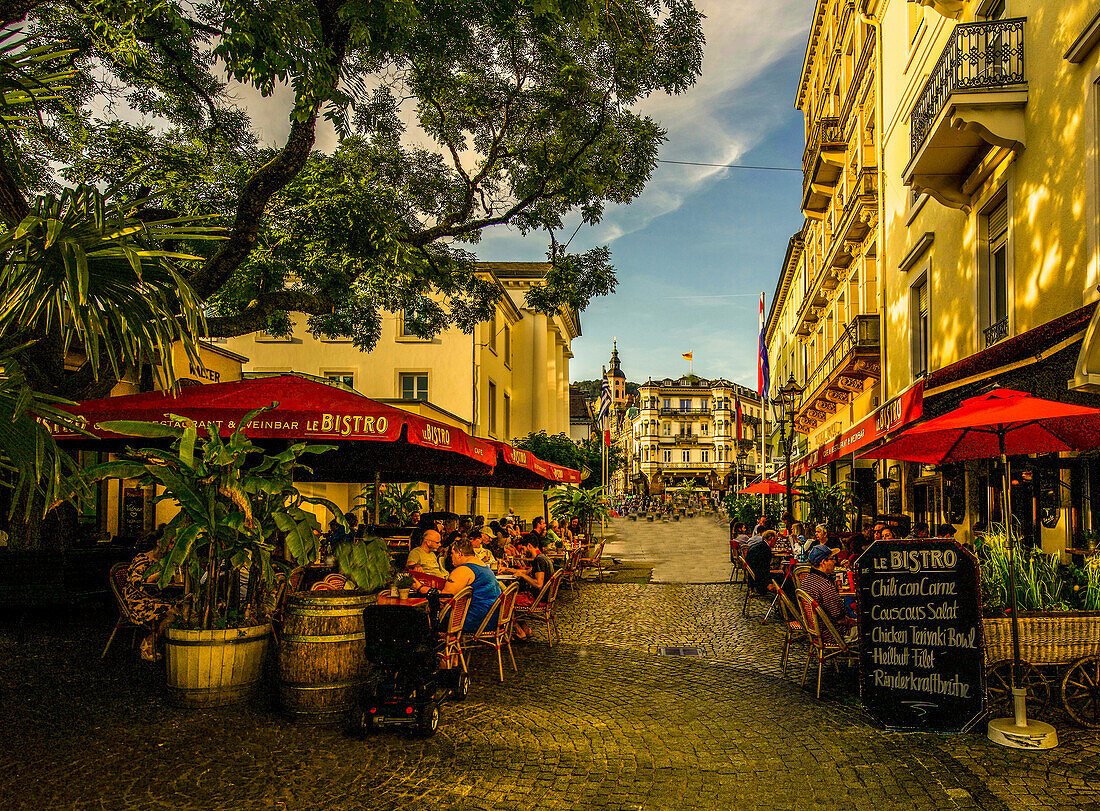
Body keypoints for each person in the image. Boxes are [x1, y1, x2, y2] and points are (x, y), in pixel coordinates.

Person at [122, 544, 181, 661]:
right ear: (159, 542)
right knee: (172, 611)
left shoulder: (163, 560)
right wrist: (164, 572)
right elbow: (139, 582)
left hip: (153, 597)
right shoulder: (142, 559)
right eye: (171, 542)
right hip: (138, 600)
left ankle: (157, 642)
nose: (172, 546)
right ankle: (150, 642)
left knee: (181, 606)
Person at [442, 535, 503, 632]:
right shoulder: (483, 565)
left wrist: (420, 588)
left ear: (459, 554)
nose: (450, 556)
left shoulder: (463, 570)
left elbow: (444, 597)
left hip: (476, 620)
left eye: (452, 553)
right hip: (494, 616)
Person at [501, 533, 554, 640]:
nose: (523, 552)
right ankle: (526, 629)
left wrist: (521, 575)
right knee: (513, 598)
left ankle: (520, 632)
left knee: (506, 601)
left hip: (537, 599)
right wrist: (510, 570)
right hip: (545, 597)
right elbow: (528, 571)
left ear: (529, 546)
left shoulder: (539, 560)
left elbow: (538, 584)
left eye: (524, 548)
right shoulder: (543, 557)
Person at [801, 545, 856, 635]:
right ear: (823, 562)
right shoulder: (825, 585)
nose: (834, 561)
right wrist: (855, 621)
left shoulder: (807, 581)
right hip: (833, 633)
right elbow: (839, 618)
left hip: (817, 631)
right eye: (831, 558)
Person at [744, 529, 779, 597]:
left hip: (752, 577)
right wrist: (768, 583)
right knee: (784, 578)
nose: (776, 542)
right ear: (772, 539)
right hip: (759, 580)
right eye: (776, 540)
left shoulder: (757, 546)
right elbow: (763, 569)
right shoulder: (765, 549)